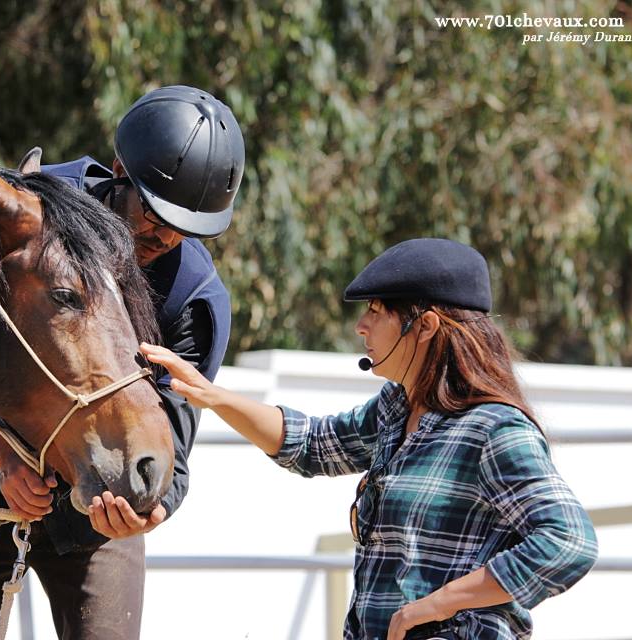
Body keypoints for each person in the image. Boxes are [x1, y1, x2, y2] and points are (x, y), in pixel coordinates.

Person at [0, 85, 245, 640]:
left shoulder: (194, 297)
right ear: (118, 171)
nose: (168, 236)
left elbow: (173, 453)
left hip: (93, 532)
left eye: (190, 226)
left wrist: (145, 512)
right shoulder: (28, 209)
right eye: (155, 214)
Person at [143, 238, 598, 640]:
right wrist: (211, 395)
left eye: (377, 311)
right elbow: (311, 445)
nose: (361, 326)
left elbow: (568, 542)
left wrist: (437, 605)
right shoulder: (394, 410)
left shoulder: (493, 430)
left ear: (426, 327)